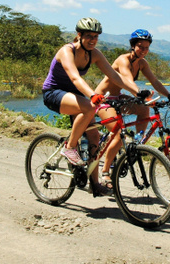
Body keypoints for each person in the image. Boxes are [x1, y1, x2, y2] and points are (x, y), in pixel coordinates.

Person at [42, 18, 149, 197]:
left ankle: (95, 184)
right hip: (54, 93)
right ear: (79, 35)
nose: (93, 40)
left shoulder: (95, 53)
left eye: (96, 37)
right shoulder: (66, 51)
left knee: (94, 137)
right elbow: (75, 78)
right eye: (89, 36)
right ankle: (69, 147)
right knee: (90, 107)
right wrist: (93, 95)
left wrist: (138, 92)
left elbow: (116, 77)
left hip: (75, 96)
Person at [93, 29, 170, 190]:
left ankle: (136, 144)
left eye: (147, 48)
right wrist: (140, 93)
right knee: (119, 135)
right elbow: (126, 78)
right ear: (132, 46)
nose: (144, 51)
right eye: (140, 47)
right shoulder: (122, 60)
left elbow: (154, 81)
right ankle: (105, 172)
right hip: (102, 99)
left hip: (118, 98)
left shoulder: (142, 63)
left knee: (143, 110)